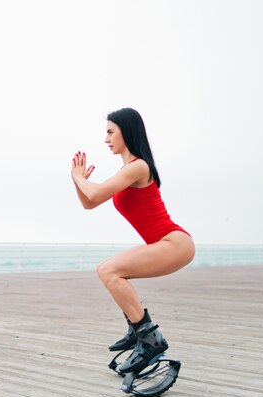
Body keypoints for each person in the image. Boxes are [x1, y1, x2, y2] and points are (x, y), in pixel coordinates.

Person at [70, 107, 195, 374]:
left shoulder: (138, 166)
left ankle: (149, 339)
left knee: (109, 270)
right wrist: (77, 181)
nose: (106, 139)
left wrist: (80, 178)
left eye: (110, 132)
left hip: (174, 242)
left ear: (126, 131)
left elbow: (96, 191)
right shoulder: (129, 170)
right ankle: (138, 331)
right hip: (163, 244)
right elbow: (89, 202)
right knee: (109, 272)